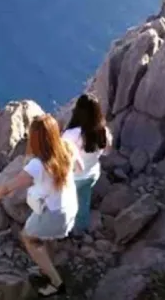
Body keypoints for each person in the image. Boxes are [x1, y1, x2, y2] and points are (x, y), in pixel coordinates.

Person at [0, 115, 78, 297]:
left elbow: (6, 188)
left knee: (27, 237)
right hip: (69, 204)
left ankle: (55, 282)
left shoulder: (37, 165)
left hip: (54, 213)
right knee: (45, 235)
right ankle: (48, 256)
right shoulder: (67, 147)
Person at [62, 94, 111, 234]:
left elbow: (62, 158)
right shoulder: (104, 132)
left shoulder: (71, 134)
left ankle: (63, 228)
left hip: (73, 179)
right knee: (84, 200)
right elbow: (107, 152)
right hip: (92, 174)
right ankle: (80, 228)